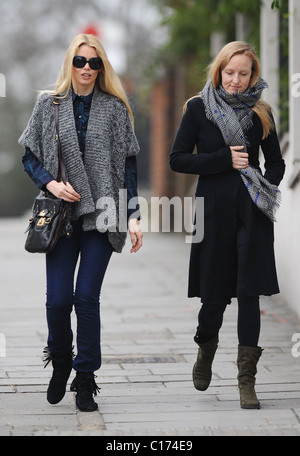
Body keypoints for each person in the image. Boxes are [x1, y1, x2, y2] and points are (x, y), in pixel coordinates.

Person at [19, 34, 143, 412]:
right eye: (80, 61)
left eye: (94, 63)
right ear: (69, 64)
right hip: (61, 217)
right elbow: (29, 156)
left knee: (86, 299)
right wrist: (51, 183)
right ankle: (60, 360)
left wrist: (134, 216)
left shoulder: (116, 108)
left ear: (102, 68)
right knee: (57, 301)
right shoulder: (48, 105)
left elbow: (128, 165)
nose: (86, 68)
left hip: (104, 214)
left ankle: (85, 378)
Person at [170, 41, 285, 409]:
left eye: (244, 74)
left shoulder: (261, 112)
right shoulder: (198, 109)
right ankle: (206, 347)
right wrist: (222, 159)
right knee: (214, 298)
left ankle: (246, 382)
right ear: (219, 71)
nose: (236, 81)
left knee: (249, 294)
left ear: (254, 76)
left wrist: (264, 185)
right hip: (212, 211)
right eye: (230, 72)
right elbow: (178, 159)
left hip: (252, 213)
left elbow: (278, 164)